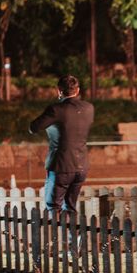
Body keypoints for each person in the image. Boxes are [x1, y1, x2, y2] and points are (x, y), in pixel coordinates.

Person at [29, 75, 94, 213]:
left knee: (53, 207)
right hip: (81, 166)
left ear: (59, 90)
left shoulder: (56, 110)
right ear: (78, 90)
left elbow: (33, 128)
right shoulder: (89, 108)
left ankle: (55, 235)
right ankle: (73, 235)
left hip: (61, 166)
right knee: (70, 208)